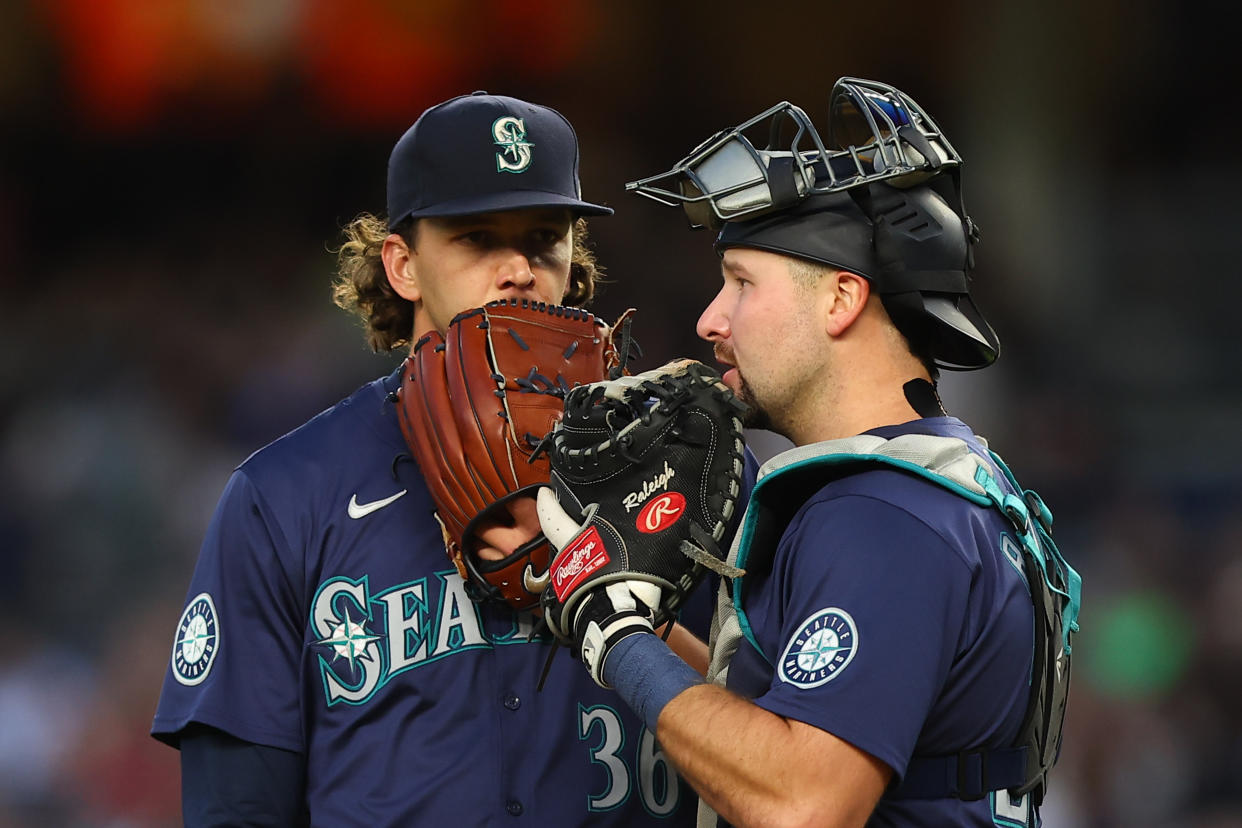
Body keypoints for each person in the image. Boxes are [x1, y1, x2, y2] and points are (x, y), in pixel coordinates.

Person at [151, 91, 712, 826]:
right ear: (403, 266)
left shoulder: (686, 470)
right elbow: (236, 804)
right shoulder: (287, 493)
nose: (518, 268)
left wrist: (615, 601)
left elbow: (785, 749)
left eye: (545, 237)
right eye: (478, 238)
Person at [539, 78, 1081, 827]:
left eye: (740, 283)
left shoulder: (883, 517)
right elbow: (788, 725)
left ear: (841, 299)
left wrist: (617, 638)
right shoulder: (940, 480)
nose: (709, 319)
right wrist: (642, 621)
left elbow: (804, 801)